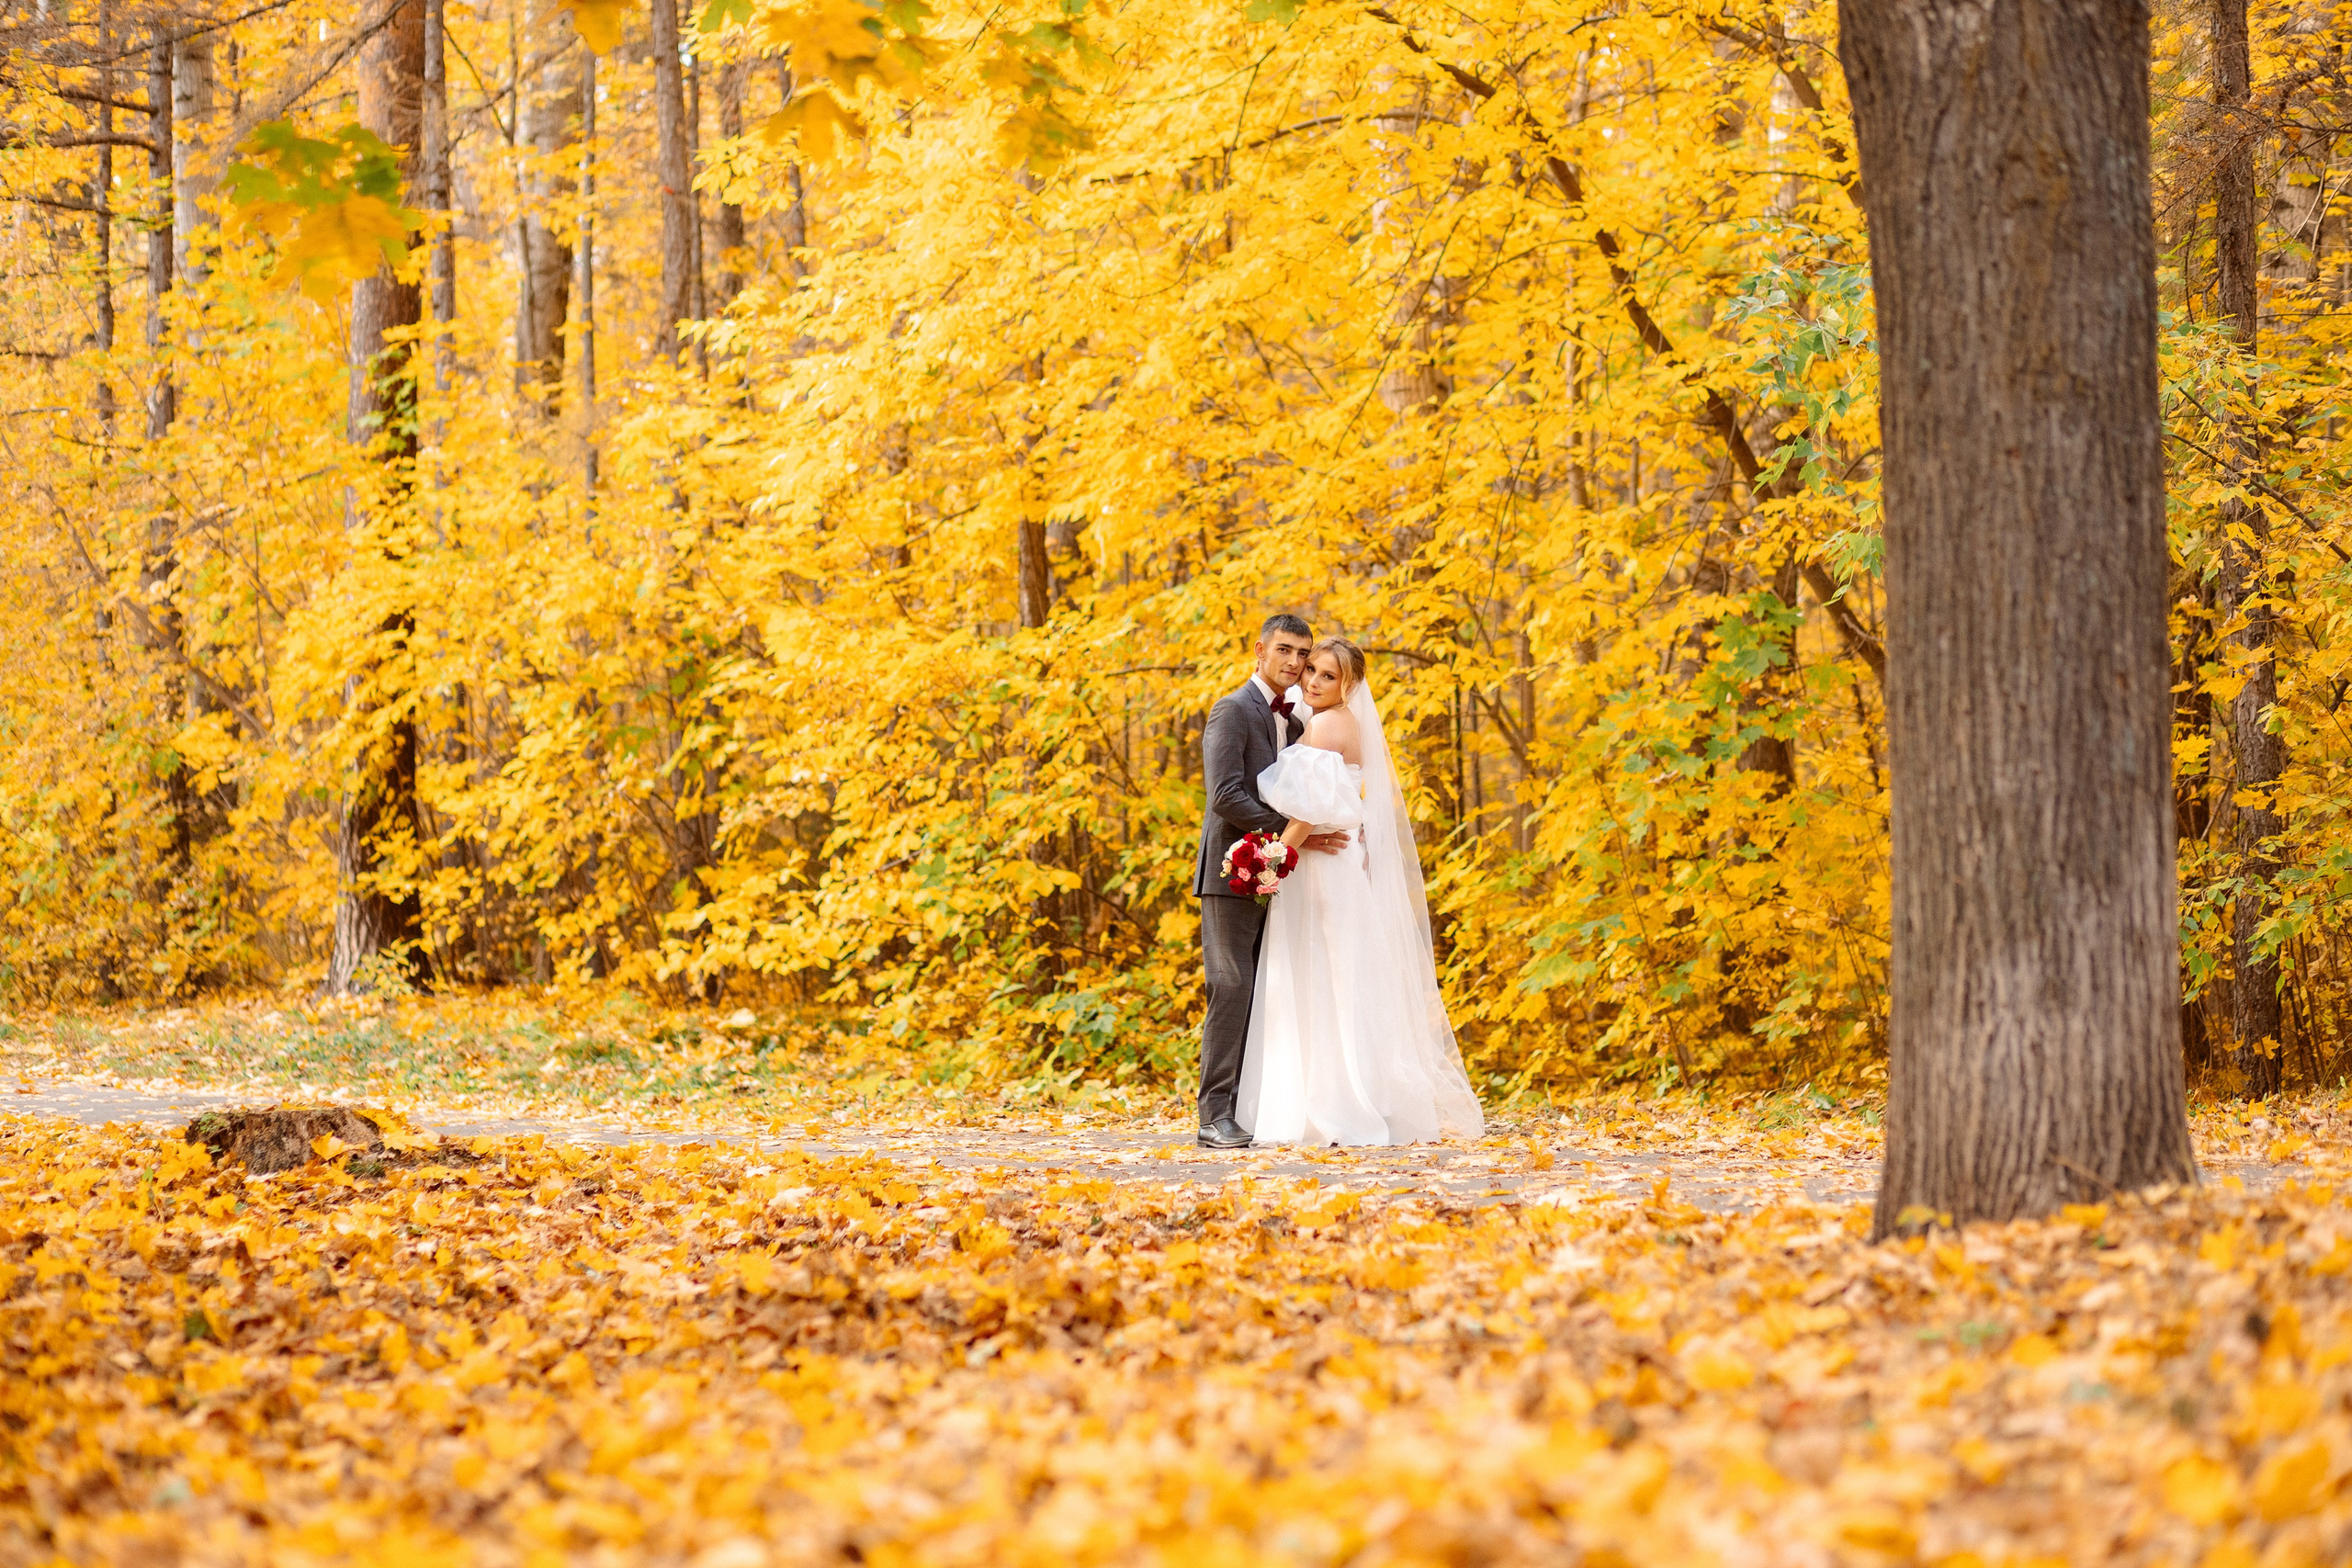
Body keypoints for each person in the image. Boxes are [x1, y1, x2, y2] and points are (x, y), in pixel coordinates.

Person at [1235, 636, 1486, 1145]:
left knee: (1321, 974)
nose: (1313, 681)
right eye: (1313, 672)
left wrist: (1277, 855)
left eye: (1329, 676)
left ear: (1349, 685)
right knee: (1329, 975)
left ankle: (1334, 1105)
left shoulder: (1329, 723)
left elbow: (1307, 805)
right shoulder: (1333, 722)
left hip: (1320, 866)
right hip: (1332, 860)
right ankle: (1334, 1097)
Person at [1191, 615, 1351, 1148]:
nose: (1294, 662)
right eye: (1284, 650)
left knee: (1271, 990)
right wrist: (1289, 835)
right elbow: (1225, 795)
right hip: (1231, 869)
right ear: (1259, 650)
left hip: (1284, 875)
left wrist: (1310, 836)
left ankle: (1255, 1108)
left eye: (1302, 654)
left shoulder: (1303, 718)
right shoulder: (1232, 710)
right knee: (1232, 986)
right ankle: (1213, 1115)